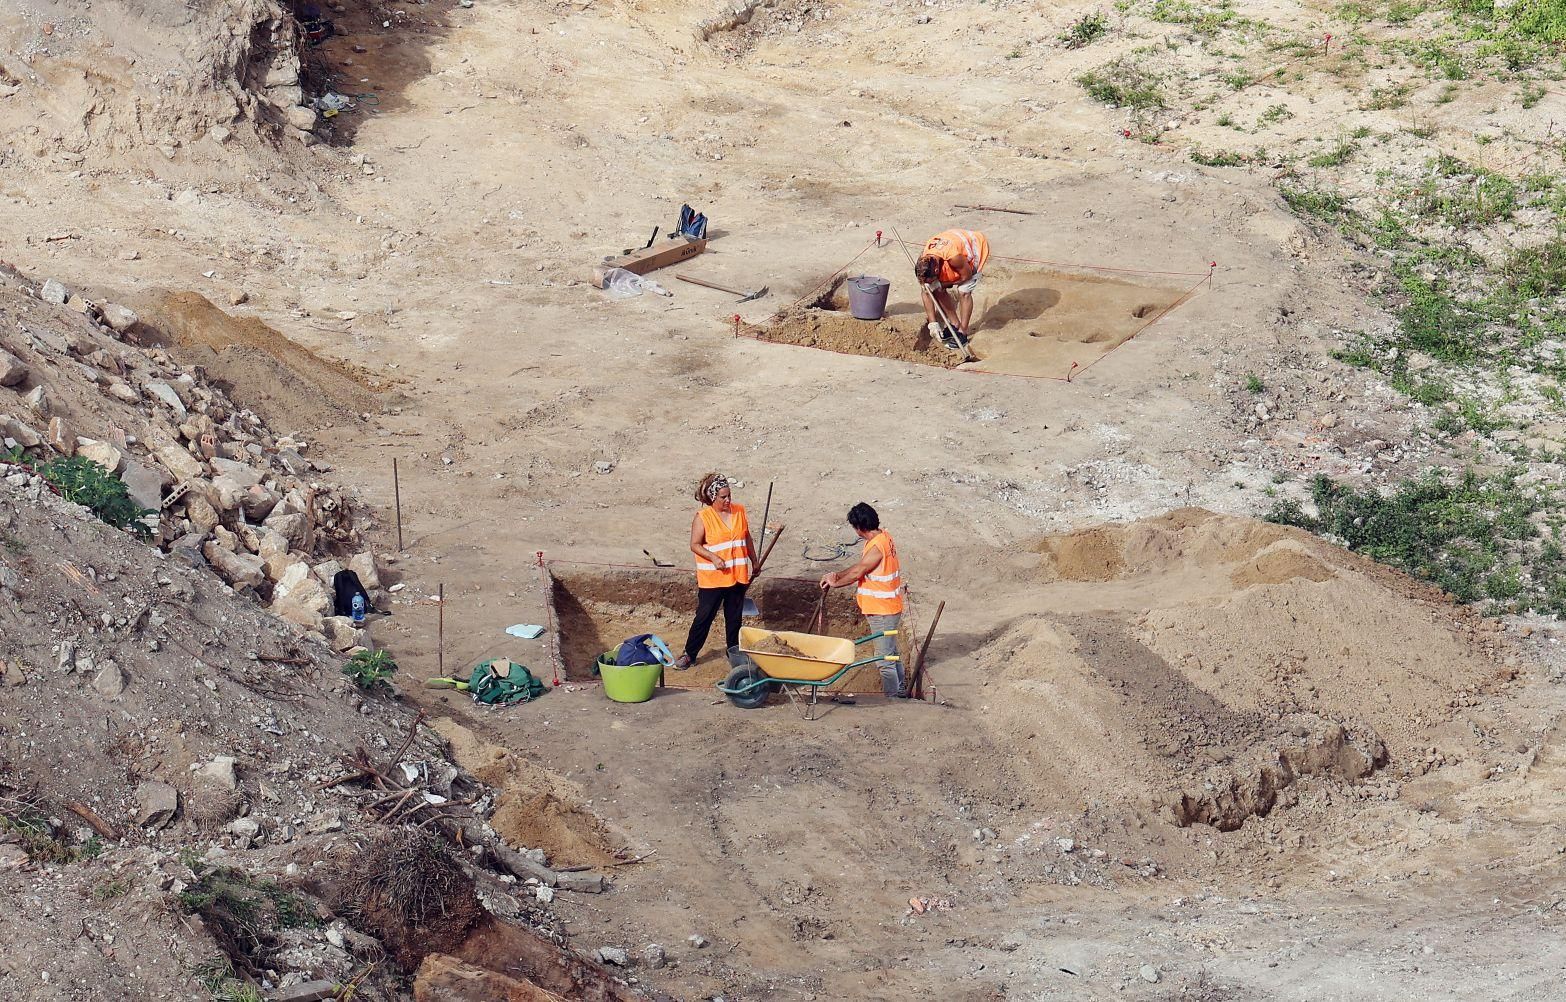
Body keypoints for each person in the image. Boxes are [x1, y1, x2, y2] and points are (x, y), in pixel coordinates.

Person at [818, 502, 905, 698]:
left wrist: (836, 584)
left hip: (883, 611)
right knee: (891, 653)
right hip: (887, 608)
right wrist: (836, 575)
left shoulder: (877, 547)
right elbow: (861, 566)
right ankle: (900, 692)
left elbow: (859, 571)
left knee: (884, 660)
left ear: (859, 528)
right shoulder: (881, 538)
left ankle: (893, 700)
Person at [677, 472, 756, 669]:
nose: (728, 500)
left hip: (737, 576)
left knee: (734, 618)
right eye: (723, 497)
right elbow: (695, 545)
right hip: (713, 579)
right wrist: (713, 557)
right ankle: (689, 654)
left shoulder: (739, 511)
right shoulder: (703, 517)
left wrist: (754, 561)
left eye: (729, 495)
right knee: (704, 617)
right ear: (713, 497)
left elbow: (746, 538)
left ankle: (734, 653)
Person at [915, 228, 990, 347]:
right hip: (952, 245)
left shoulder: (954, 258)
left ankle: (963, 333)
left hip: (974, 247)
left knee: (964, 291)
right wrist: (932, 323)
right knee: (935, 289)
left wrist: (942, 284)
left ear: (936, 270)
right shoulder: (924, 259)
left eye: (933, 278)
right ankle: (955, 325)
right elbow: (926, 291)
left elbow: (967, 275)